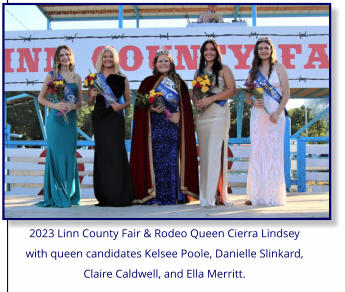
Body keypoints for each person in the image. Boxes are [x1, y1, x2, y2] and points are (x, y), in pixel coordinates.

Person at [130, 51, 199, 205]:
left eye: (166, 61)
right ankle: (155, 195)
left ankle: (174, 195)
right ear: (155, 64)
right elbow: (139, 106)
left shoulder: (179, 82)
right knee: (157, 161)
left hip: (173, 128)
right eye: (160, 61)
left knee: (172, 161)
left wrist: (180, 115)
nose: (163, 64)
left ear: (171, 63)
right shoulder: (148, 82)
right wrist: (150, 108)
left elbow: (186, 107)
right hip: (154, 128)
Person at [244, 37, 290, 206]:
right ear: (256, 51)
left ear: (271, 50)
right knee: (257, 151)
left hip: (275, 115)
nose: (263, 50)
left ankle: (273, 195)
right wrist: (252, 101)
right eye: (260, 48)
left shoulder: (279, 67)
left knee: (273, 152)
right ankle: (256, 194)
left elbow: (286, 93)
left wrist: (278, 113)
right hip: (258, 114)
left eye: (266, 48)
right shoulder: (253, 71)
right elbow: (247, 95)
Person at [37, 45, 83, 207]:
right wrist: (55, 106)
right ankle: (56, 193)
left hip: (70, 121)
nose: (65, 57)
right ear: (57, 58)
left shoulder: (77, 77)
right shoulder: (51, 76)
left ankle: (69, 194)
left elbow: (80, 102)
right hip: (55, 121)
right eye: (61, 55)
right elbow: (40, 98)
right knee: (56, 156)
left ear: (71, 57)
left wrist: (72, 106)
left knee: (69, 156)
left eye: (67, 54)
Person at [192, 39, 236, 207]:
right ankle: (205, 195)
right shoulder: (198, 72)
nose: (209, 52)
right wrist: (197, 102)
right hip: (202, 115)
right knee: (204, 155)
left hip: (219, 113)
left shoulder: (224, 69)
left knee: (215, 153)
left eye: (212, 49)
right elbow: (194, 93)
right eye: (206, 49)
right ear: (202, 53)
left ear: (217, 52)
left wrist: (212, 98)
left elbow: (232, 90)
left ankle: (214, 196)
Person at [88, 46, 133, 207]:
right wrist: (91, 96)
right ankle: (105, 196)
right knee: (103, 155)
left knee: (115, 154)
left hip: (115, 118)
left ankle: (119, 194)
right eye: (105, 56)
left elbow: (128, 100)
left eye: (110, 56)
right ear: (101, 59)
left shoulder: (122, 77)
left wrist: (121, 107)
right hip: (100, 119)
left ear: (115, 59)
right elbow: (89, 103)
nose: (107, 59)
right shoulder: (95, 78)